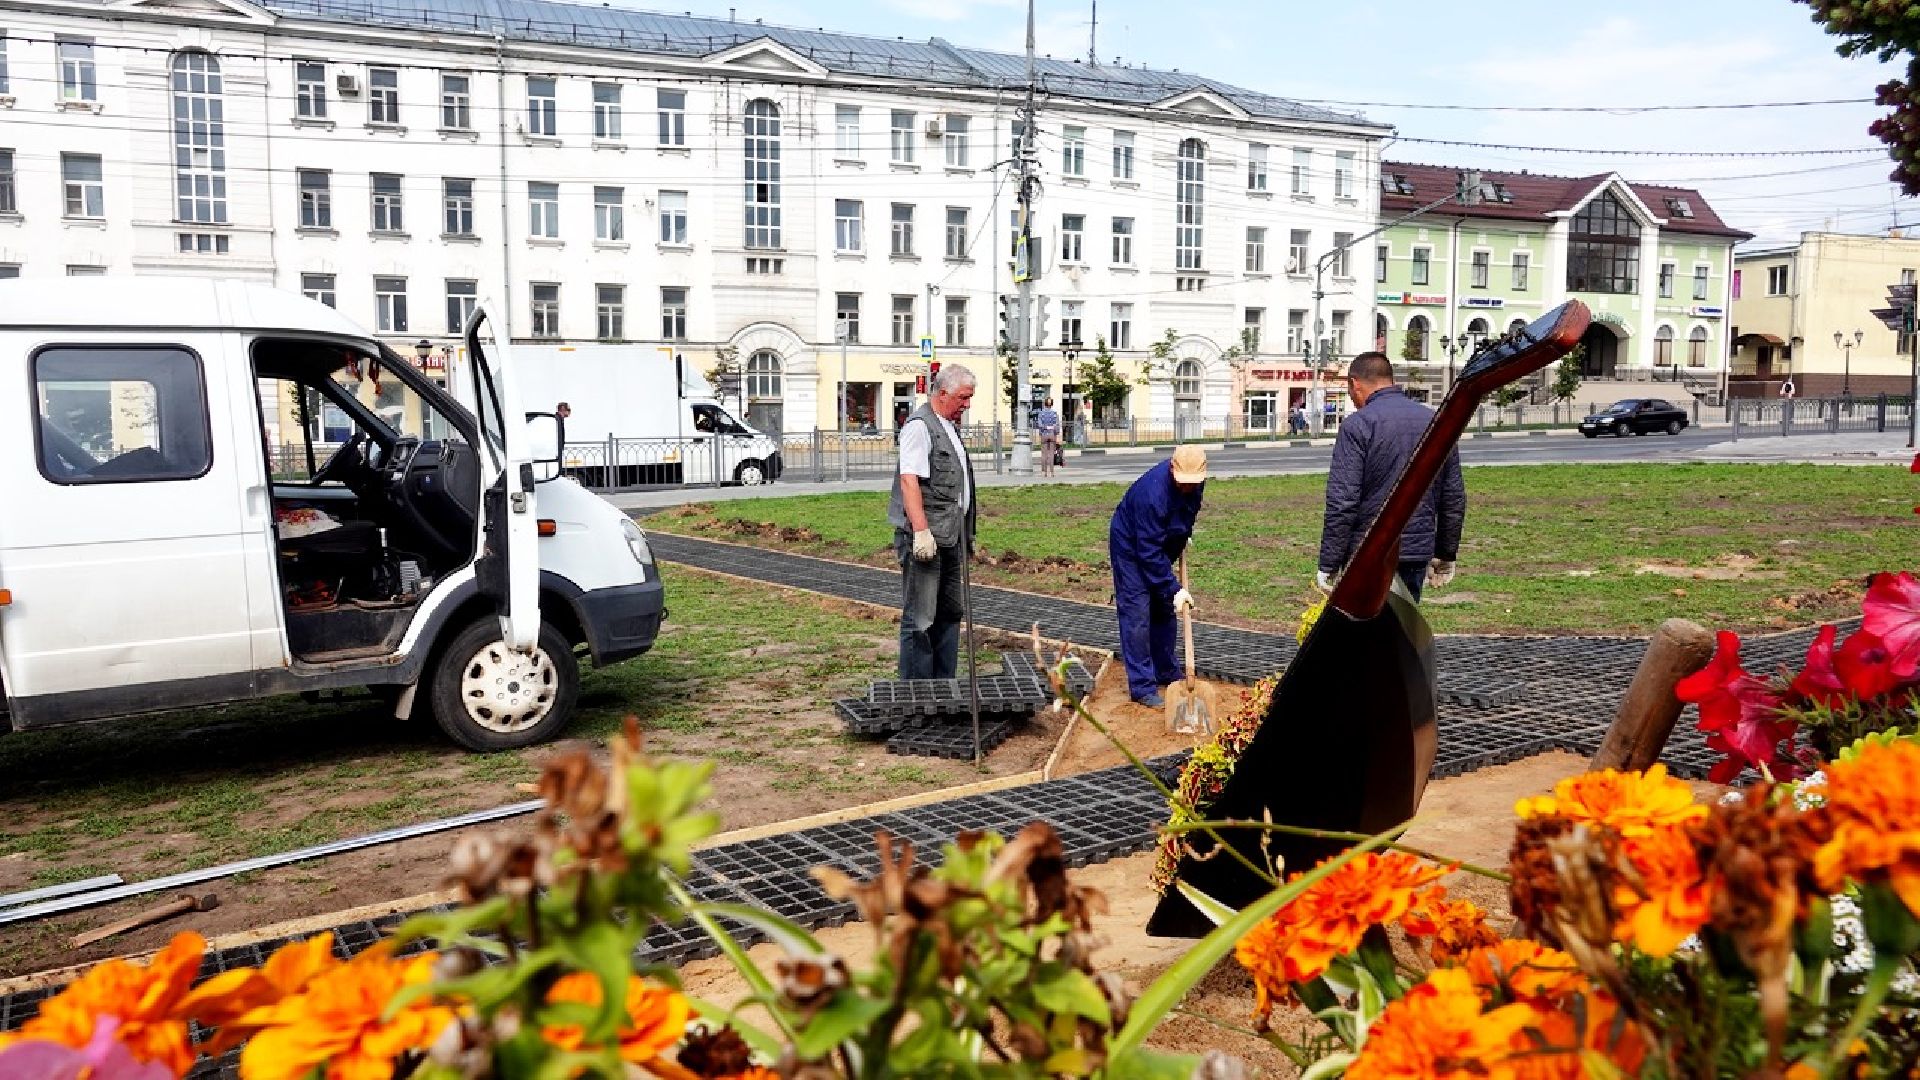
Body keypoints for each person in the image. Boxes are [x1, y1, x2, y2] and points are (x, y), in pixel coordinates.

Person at [1317, 351, 1464, 602]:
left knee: (1366, 634)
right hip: (1416, 552)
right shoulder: (1435, 422)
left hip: (1368, 553)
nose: (1353, 399)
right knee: (1402, 631)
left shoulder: (1358, 425)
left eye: (1350, 392)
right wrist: (1446, 553)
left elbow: (1343, 502)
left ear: (1355, 383)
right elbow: (1452, 497)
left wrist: (1329, 563)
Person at [888, 364, 978, 679]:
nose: (967, 405)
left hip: (951, 538)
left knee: (950, 613)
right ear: (942, 393)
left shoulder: (948, 426)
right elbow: (909, 480)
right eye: (963, 398)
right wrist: (921, 531)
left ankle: (943, 688)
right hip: (928, 540)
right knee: (921, 619)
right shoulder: (919, 427)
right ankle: (916, 696)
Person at [1109, 445, 1208, 706]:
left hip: (1160, 540)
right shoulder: (1151, 495)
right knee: (1137, 610)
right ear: (1172, 469)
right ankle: (1142, 686)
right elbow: (1148, 552)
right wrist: (1173, 587)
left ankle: (1165, 670)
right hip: (1131, 545)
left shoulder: (1196, 483)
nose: (1188, 487)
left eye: (1193, 483)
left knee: (1164, 608)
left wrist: (1183, 533)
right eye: (1183, 483)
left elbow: (1188, 509)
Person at [1036, 396, 1062, 477]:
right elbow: (1057, 426)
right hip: (1052, 434)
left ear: (1045, 403)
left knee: (1044, 454)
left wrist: (1044, 428)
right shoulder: (1054, 413)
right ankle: (1052, 472)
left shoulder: (1041, 413)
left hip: (1044, 434)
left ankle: (1044, 472)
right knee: (1051, 454)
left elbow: (1039, 424)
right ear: (1052, 404)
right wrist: (1056, 435)